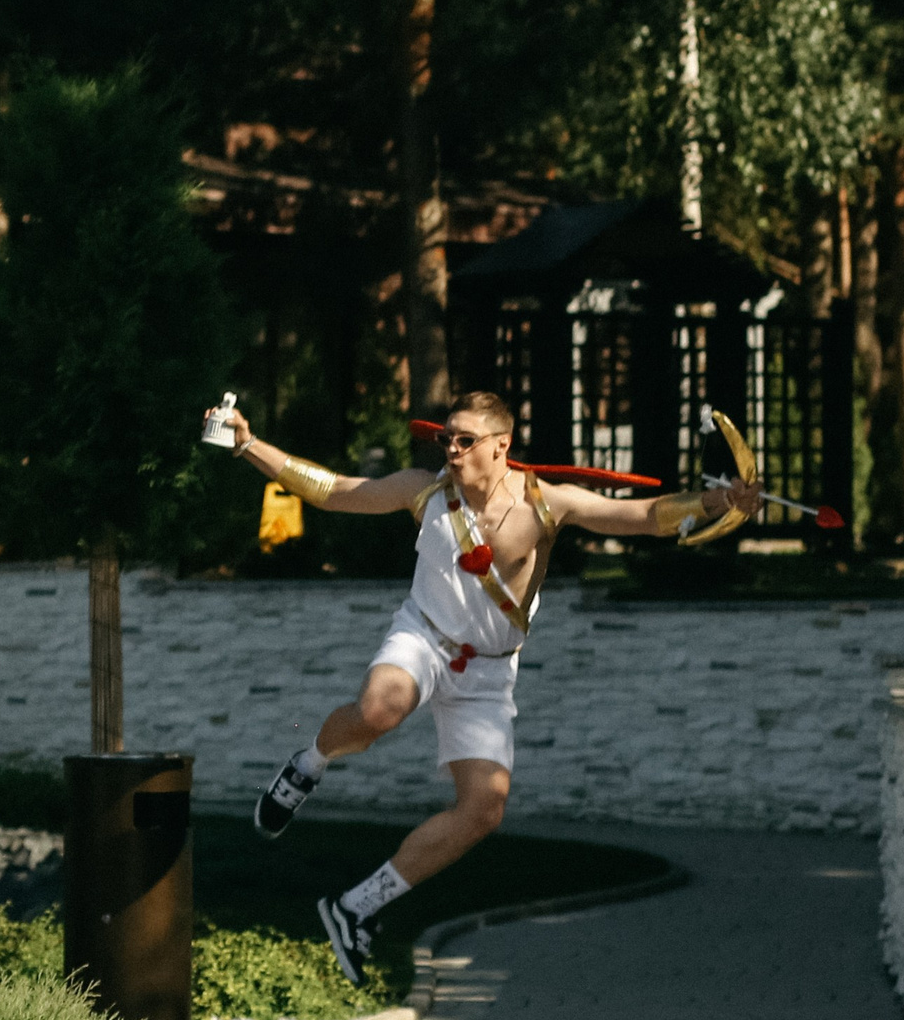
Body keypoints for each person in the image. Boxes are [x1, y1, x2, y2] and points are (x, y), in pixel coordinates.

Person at [209, 389, 758, 985]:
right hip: (423, 636)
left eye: (465, 439)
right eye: (447, 437)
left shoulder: (547, 505)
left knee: (483, 810)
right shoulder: (424, 491)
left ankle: (354, 909)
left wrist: (717, 501)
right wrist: (247, 445)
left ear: (501, 447)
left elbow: (645, 518)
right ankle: (307, 764)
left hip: (490, 668)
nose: (451, 448)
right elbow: (335, 491)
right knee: (377, 711)